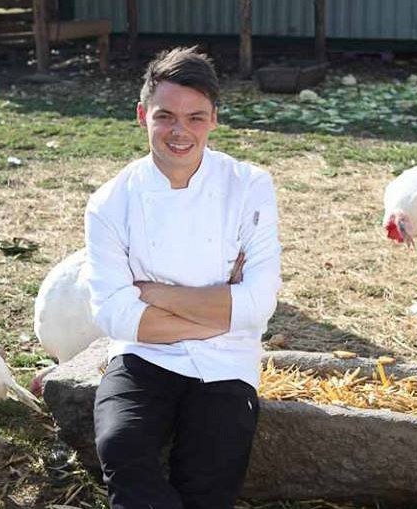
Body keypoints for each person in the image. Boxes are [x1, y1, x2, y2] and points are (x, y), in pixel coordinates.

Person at [84, 46, 282, 509]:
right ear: (142, 116)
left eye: (195, 118)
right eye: (165, 116)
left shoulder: (249, 186)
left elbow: (258, 304)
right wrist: (220, 311)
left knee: (212, 465)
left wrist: (154, 294)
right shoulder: (110, 202)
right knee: (121, 443)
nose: (180, 131)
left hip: (226, 358)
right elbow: (114, 315)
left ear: (214, 119)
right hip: (142, 353)